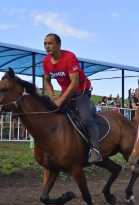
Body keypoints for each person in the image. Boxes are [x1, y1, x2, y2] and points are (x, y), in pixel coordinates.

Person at [42, 33, 102, 163]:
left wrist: (60, 100)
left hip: (81, 91)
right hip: (65, 93)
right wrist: (52, 97)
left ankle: (96, 150)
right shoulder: (46, 61)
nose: (47, 46)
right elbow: (46, 80)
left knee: (86, 118)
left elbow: (74, 83)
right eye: (45, 44)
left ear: (58, 45)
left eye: (50, 43)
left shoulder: (69, 57)